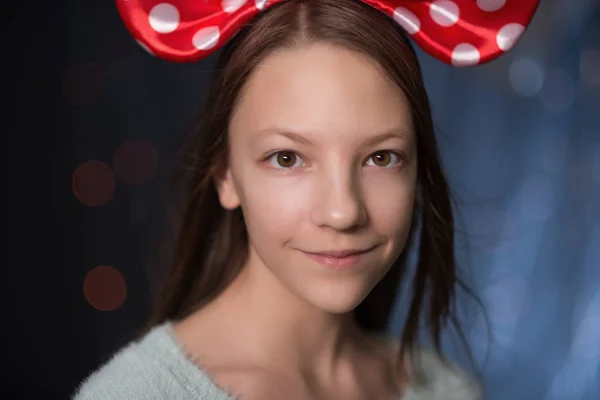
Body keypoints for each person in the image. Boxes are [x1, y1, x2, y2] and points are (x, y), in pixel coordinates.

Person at [74, 0, 539, 398]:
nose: (342, 212)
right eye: (287, 158)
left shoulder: (445, 389)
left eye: (380, 157)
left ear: (419, 170)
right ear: (225, 173)